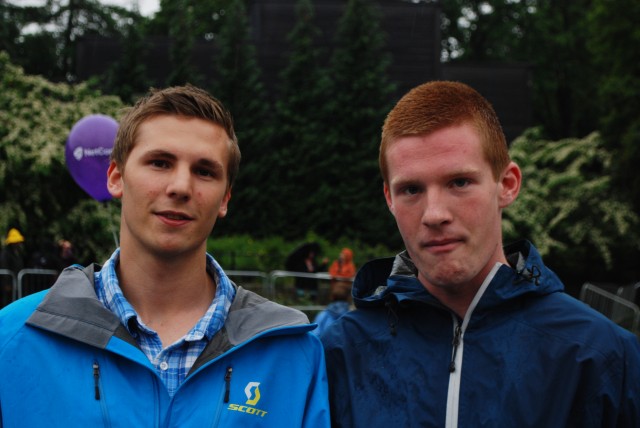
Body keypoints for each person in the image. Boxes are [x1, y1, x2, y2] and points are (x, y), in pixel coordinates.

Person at [0, 85, 329, 427]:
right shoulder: (13, 340)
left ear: (225, 198)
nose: (181, 187)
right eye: (160, 163)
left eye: (205, 171)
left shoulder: (293, 355)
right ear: (115, 177)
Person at [320, 81, 640, 427]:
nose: (434, 214)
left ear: (507, 184)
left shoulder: (601, 356)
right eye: (411, 189)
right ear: (389, 199)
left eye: (459, 182)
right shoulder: (337, 354)